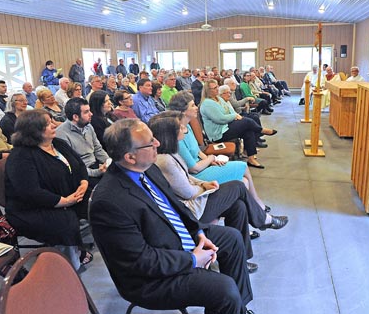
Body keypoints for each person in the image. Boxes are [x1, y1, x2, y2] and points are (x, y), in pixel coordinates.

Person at [89, 118, 254, 314]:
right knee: (223, 289)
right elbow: (140, 261)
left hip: (173, 239)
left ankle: (238, 309)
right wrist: (192, 260)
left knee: (232, 238)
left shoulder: (149, 167)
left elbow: (176, 207)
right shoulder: (108, 203)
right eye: (151, 142)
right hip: (150, 279)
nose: (158, 143)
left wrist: (198, 231)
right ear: (130, 157)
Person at [149, 114, 288, 272]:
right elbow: (188, 192)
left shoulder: (171, 153)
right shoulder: (165, 160)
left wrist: (204, 183)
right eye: (179, 127)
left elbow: (189, 177)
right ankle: (263, 220)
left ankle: (240, 261)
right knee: (238, 186)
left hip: (197, 199)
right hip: (191, 211)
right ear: (169, 133)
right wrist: (206, 188)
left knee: (238, 206)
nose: (183, 128)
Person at [5, 109, 92, 269]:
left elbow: (79, 165)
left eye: (52, 121)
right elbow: (30, 192)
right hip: (32, 208)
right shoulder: (20, 156)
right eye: (48, 123)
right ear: (34, 130)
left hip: (69, 195)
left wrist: (83, 183)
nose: (54, 125)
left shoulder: (58, 144)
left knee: (99, 202)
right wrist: (64, 201)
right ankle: (69, 263)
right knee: (65, 222)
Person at [168, 91, 271, 211]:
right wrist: (211, 158)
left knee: (244, 181)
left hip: (203, 166)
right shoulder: (177, 134)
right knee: (243, 167)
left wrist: (211, 160)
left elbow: (198, 152)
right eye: (192, 105)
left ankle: (252, 210)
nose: (196, 108)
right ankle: (257, 204)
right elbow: (193, 168)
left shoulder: (187, 126)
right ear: (183, 111)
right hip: (197, 176)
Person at [200, 80, 277, 169]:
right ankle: (261, 130)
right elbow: (220, 119)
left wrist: (235, 116)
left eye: (217, 86)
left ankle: (251, 159)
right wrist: (234, 116)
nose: (217, 89)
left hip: (227, 125)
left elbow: (230, 110)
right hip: (219, 132)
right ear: (208, 90)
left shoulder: (218, 98)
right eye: (214, 88)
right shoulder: (207, 103)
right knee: (247, 122)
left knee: (248, 130)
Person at [56, 97, 110, 190]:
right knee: (108, 190)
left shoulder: (88, 126)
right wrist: (97, 172)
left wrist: (109, 162)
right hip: (82, 175)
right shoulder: (61, 134)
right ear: (75, 117)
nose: (91, 114)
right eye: (86, 112)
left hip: (95, 166)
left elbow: (98, 149)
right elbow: (73, 166)